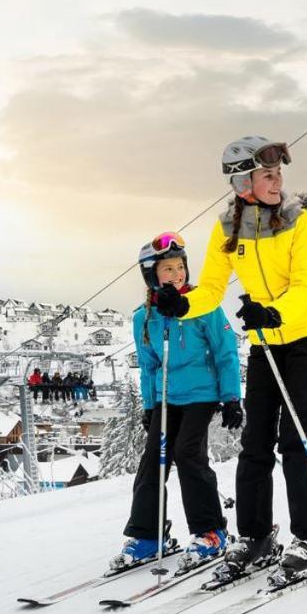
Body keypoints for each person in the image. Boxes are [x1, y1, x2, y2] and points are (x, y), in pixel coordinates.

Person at [155, 135, 307, 581]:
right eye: (267, 175)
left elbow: (305, 286)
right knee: (255, 442)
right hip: (264, 340)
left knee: (295, 437)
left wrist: (274, 311)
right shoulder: (226, 228)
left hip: (306, 335)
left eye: (279, 174)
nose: (278, 182)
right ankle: (255, 534)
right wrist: (184, 304)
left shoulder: (299, 220)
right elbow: (213, 289)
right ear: (242, 183)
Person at [110, 231, 243, 573]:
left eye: (179, 267)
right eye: (167, 269)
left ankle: (211, 532)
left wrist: (231, 397)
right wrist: (150, 405)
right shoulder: (145, 317)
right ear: (152, 275)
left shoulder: (203, 305)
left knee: (187, 454)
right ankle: (149, 535)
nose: (176, 274)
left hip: (202, 394)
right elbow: (149, 365)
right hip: (167, 399)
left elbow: (226, 352)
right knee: (153, 460)